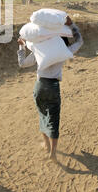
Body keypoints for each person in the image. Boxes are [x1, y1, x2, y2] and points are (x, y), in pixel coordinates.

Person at [17, 16, 83, 163]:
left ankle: (46, 145)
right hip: (53, 87)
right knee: (54, 118)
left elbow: (22, 63)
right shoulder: (63, 51)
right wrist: (72, 25)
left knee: (42, 115)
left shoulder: (39, 50)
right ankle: (53, 153)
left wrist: (21, 46)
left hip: (39, 85)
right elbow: (79, 41)